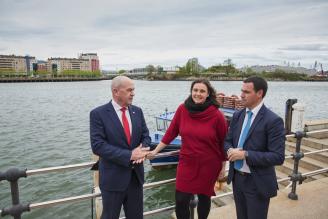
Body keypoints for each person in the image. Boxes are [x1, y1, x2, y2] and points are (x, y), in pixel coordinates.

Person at [148, 79, 228, 219]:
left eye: (202, 91)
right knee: (181, 200)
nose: (198, 93)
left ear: (208, 94)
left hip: (209, 164)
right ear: (191, 92)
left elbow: (223, 143)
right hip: (187, 162)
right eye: (195, 90)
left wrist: (223, 167)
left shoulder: (217, 115)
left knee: (204, 198)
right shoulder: (182, 109)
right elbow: (171, 132)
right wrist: (155, 151)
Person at [90, 76, 151, 219]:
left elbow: (146, 136)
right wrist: (130, 155)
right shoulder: (98, 114)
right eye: (129, 90)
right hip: (112, 180)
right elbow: (98, 146)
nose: (133, 93)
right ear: (116, 91)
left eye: (133, 90)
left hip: (135, 178)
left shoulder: (137, 111)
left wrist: (142, 150)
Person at [224, 76, 285, 219]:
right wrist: (229, 150)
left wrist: (246, 154)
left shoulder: (273, 121)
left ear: (259, 93)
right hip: (237, 179)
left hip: (257, 182)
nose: (241, 95)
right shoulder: (238, 115)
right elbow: (227, 141)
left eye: (246, 92)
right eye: (241, 90)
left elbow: (278, 156)